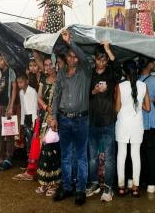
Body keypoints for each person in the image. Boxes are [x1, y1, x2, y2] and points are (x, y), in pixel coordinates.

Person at [52, 30, 93, 206]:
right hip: (64, 120)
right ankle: (67, 187)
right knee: (66, 156)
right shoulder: (61, 74)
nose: (72, 59)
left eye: (75, 56)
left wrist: (70, 43)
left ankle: (81, 190)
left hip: (81, 120)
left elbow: (85, 58)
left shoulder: (85, 71)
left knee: (81, 157)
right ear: (66, 58)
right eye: (70, 56)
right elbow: (56, 96)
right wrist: (53, 117)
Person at [86, 42, 121, 202]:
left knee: (109, 157)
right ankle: (94, 184)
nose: (102, 62)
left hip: (108, 120)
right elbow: (84, 94)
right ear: (95, 59)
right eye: (100, 59)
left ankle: (108, 187)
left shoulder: (111, 74)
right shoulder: (89, 74)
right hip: (92, 120)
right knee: (92, 157)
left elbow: (119, 69)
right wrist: (94, 91)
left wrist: (108, 49)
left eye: (105, 59)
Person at [115, 60, 150, 197]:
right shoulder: (143, 85)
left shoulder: (120, 86)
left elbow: (117, 108)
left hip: (123, 124)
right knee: (135, 155)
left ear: (124, 72)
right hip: (137, 125)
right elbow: (147, 108)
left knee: (121, 155)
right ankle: (135, 188)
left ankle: (121, 187)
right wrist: (138, 103)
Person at [35, 54, 61, 197]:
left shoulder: (61, 79)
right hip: (45, 117)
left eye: (50, 64)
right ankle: (45, 182)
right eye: (45, 65)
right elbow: (39, 97)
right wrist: (45, 107)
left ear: (56, 65)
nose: (48, 67)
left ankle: (55, 183)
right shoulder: (44, 79)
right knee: (44, 149)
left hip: (57, 119)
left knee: (54, 150)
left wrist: (54, 114)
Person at [138, 57, 155, 194]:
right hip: (150, 118)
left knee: (140, 152)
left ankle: (141, 180)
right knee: (151, 152)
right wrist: (151, 98)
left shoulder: (136, 79)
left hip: (138, 120)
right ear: (150, 65)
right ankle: (151, 184)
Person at [0, 53, 17, 170]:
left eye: (1, 60)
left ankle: (9, 158)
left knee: (9, 133)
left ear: (5, 59)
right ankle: (0, 157)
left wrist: (11, 106)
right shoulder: (1, 73)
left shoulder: (11, 71)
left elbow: (14, 89)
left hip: (8, 106)